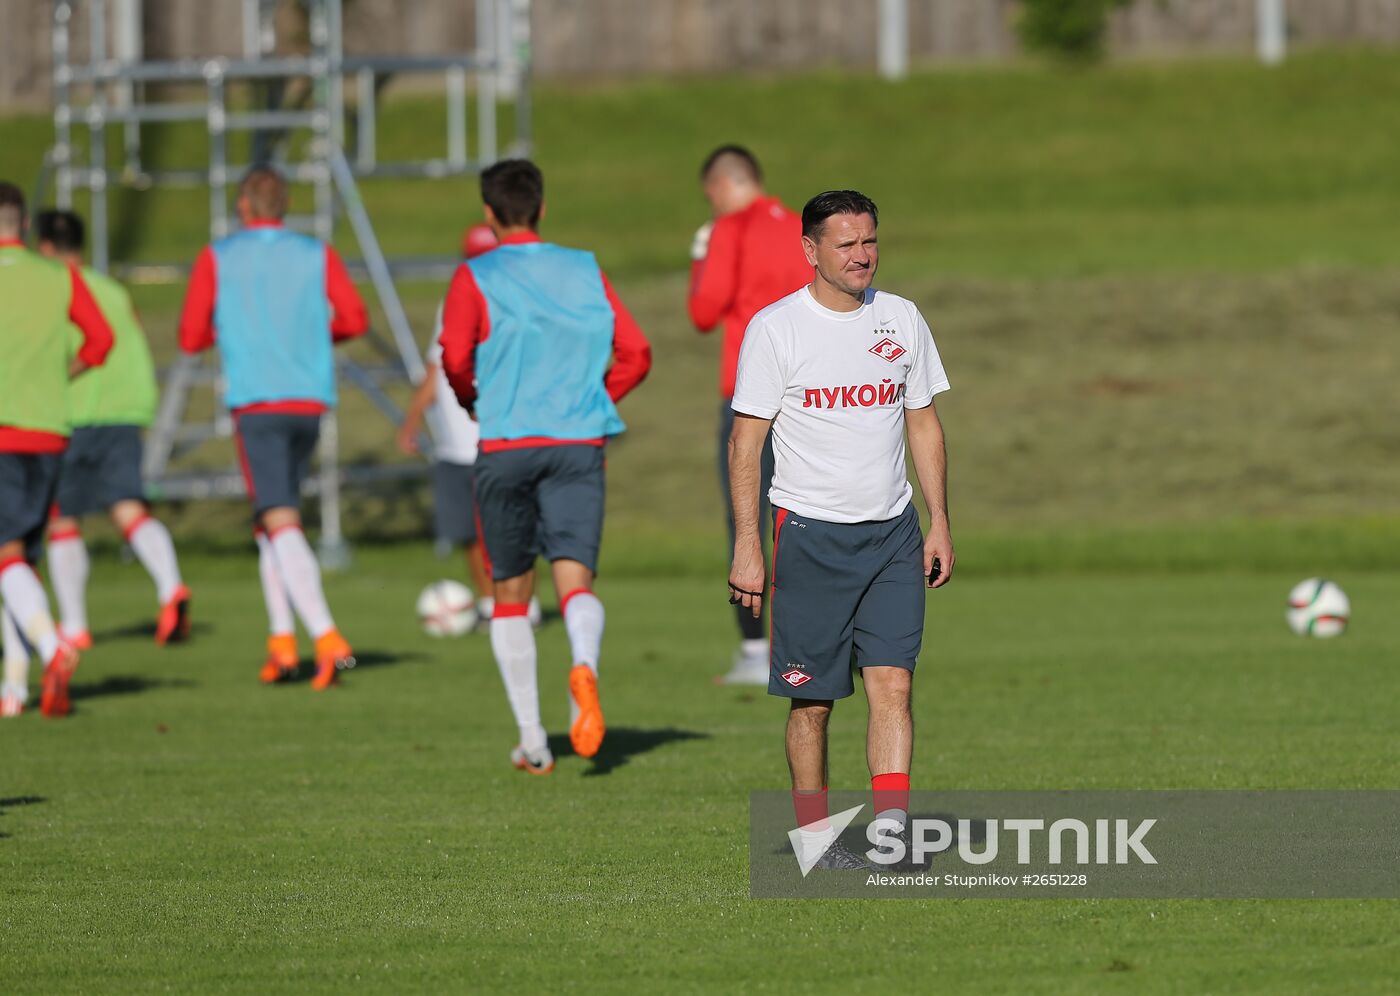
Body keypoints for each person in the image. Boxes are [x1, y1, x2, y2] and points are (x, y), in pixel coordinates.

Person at [727, 190, 953, 870]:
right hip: (809, 538)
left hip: (892, 535)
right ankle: (816, 841)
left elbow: (922, 420)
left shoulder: (902, 318)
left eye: (870, 241)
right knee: (813, 702)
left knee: (894, 686)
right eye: (847, 244)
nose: (862, 256)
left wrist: (939, 520)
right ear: (810, 250)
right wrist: (746, 544)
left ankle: (890, 840)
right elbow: (745, 444)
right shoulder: (776, 329)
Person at [439, 159, 651, 774]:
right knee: (575, 581)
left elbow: (455, 356)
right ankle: (582, 664)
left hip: (506, 441)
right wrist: (592, 402)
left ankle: (533, 740)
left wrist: (474, 398)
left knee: (510, 592)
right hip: (577, 443)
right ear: (541, 207)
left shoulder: (475, 274)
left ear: (488, 213)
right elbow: (636, 351)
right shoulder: (584, 268)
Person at [178, 165, 369, 690]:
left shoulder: (219, 256)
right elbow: (354, 318)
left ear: (243, 206)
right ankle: (282, 642)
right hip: (308, 399)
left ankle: (328, 638)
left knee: (278, 516)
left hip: (257, 401)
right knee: (270, 519)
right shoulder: (316, 253)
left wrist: (239, 331)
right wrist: (307, 333)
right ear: (284, 206)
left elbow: (191, 335)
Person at [33, 210, 191, 652]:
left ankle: (76, 625)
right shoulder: (114, 291)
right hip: (126, 409)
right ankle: (170, 585)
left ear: (45, 247)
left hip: (74, 412)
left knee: (62, 519)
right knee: (128, 508)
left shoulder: (51, 290)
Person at [688, 145, 810, 685]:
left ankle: (756, 648)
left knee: (747, 519)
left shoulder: (729, 230)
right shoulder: (804, 228)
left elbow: (703, 311)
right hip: (810, 392)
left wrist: (701, 257)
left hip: (750, 395)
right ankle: (822, 639)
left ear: (721, 186)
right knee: (811, 516)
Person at [0, 181, 113, 718]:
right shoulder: (59, 275)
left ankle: (52, 648)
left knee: (6, 559)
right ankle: (16, 685)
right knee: (15, 560)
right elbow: (100, 341)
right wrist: (57, 376)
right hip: (48, 433)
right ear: (24, 226)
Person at [397, 225, 498, 621]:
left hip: (501, 435)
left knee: (508, 530)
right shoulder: (454, 301)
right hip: (457, 439)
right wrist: (413, 417)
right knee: (469, 532)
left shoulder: (516, 300)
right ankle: (491, 604)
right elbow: (438, 367)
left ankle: (518, 607)